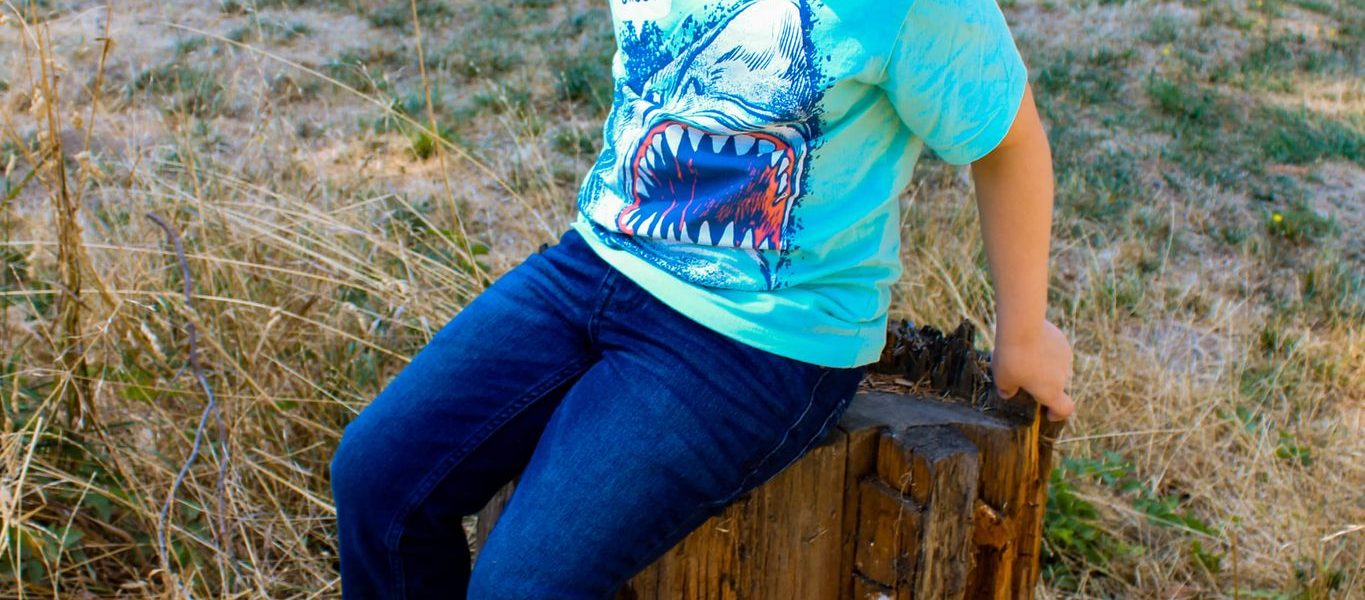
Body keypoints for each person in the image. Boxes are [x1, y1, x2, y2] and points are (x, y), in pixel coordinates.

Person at [329, 0, 1075, 597]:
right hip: (594, 261)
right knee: (377, 482)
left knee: (521, 587)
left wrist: (1022, 332)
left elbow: (1009, 139)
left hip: (758, 335)